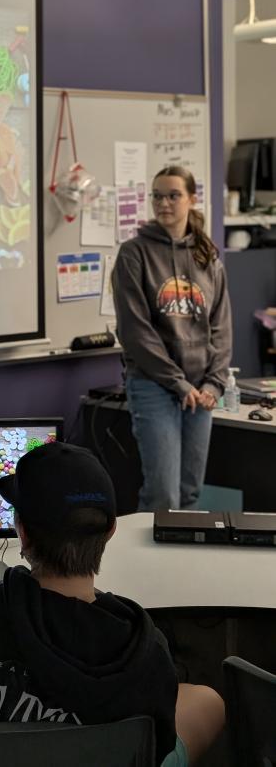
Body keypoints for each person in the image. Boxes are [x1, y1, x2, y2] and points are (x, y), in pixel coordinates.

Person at [0, 442, 225, 767]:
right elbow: (160, 745)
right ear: (110, 531)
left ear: (23, 533)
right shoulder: (145, 650)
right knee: (208, 702)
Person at [112, 166, 232, 511]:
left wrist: (214, 384)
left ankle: (182, 566)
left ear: (192, 199)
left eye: (173, 195)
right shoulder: (134, 253)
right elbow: (136, 333)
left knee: (190, 492)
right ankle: (150, 567)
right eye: (157, 196)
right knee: (162, 494)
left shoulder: (207, 256)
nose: (164, 203)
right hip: (154, 384)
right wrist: (178, 384)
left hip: (201, 388)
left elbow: (221, 327)